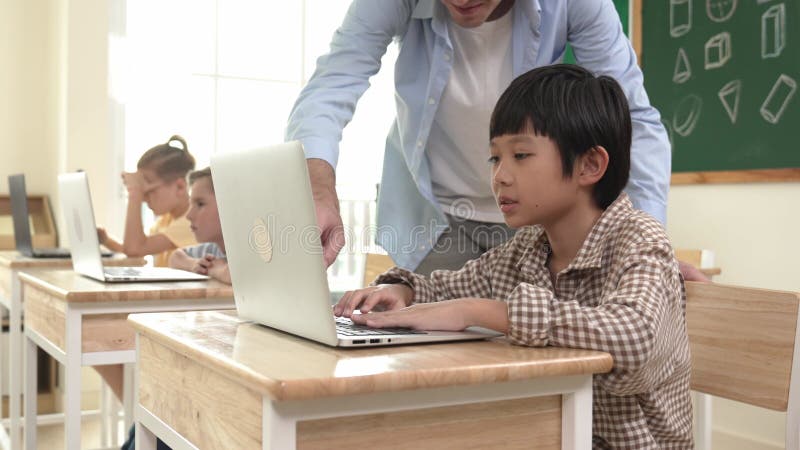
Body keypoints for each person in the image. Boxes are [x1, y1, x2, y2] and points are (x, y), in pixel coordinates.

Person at [335, 65, 693, 448]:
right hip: (549, 434)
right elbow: (447, 289)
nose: (500, 176)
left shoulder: (640, 239)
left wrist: (485, 311)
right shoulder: (528, 248)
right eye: (495, 158)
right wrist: (403, 290)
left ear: (590, 165)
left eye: (520, 155)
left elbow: (635, 338)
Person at [286, 0, 675, 278]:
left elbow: (632, 118)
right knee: (435, 369)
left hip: (542, 222)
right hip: (436, 220)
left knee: (541, 364)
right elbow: (333, 82)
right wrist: (319, 190)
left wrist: (645, 243)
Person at [97, 135, 197, 267]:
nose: (143, 197)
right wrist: (106, 240)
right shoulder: (166, 220)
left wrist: (134, 193)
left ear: (180, 187)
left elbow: (135, 249)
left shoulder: (191, 222)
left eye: (148, 190)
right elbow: (135, 250)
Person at [169, 167, 231, 284]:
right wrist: (194, 264)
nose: (188, 215)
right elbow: (175, 257)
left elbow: (232, 275)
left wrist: (215, 270)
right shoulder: (212, 249)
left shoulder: (254, 248)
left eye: (200, 204)